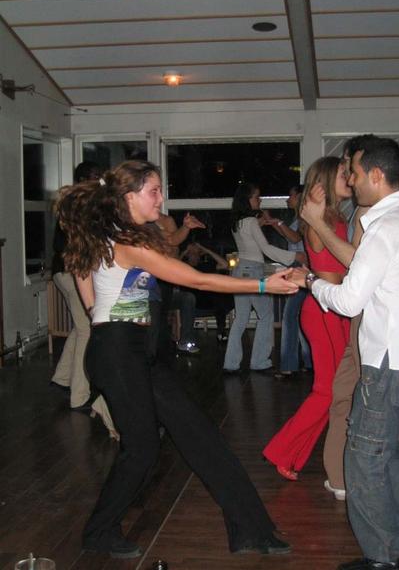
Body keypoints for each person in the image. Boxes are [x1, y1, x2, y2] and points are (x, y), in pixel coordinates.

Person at [57, 160, 298, 559]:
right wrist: (261, 285)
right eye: (153, 191)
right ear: (128, 196)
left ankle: (251, 529)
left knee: (200, 434)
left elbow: (90, 297)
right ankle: (99, 532)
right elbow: (195, 279)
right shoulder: (125, 244)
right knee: (142, 449)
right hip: (118, 353)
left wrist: (109, 315)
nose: (161, 199)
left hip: (133, 349)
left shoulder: (111, 235)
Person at [293, 136, 399, 570]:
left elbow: (347, 301)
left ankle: (385, 556)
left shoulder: (385, 226)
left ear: (376, 175)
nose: (352, 180)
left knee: (363, 458)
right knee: (383, 449)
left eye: (356, 173)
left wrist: (310, 282)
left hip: (390, 358)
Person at [263, 157, 351, 480]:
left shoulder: (335, 217)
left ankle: (292, 456)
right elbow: (329, 276)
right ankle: (282, 451)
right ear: (325, 182)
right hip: (325, 310)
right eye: (343, 173)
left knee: (335, 390)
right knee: (328, 390)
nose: (349, 177)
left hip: (334, 309)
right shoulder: (320, 221)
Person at [223, 183, 304, 373]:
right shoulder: (251, 221)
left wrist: (262, 223)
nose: (259, 200)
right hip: (252, 271)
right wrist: (294, 256)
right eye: (256, 197)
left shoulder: (238, 222)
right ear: (247, 199)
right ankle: (259, 362)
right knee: (266, 314)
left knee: (241, 317)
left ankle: (230, 363)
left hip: (240, 270)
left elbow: (249, 239)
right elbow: (265, 248)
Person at [50, 161, 101, 411]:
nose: (100, 182)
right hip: (70, 272)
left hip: (65, 272)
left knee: (80, 327)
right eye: (96, 177)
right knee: (86, 330)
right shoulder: (78, 205)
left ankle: (61, 378)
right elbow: (66, 245)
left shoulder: (77, 202)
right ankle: (79, 397)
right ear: (83, 180)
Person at [264, 185, 312, 376]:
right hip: (300, 269)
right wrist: (274, 223)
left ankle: (289, 365)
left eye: (291, 196)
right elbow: (289, 235)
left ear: (300, 197)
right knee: (298, 316)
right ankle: (308, 362)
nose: (287, 199)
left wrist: (278, 223)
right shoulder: (299, 217)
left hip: (302, 269)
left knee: (290, 316)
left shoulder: (304, 217)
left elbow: (294, 238)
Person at [155, 212, 205, 354]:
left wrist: (185, 227)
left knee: (187, 298)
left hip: (165, 285)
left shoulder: (166, 220)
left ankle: (184, 341)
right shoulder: (140, 222)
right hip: (145, 286)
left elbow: (173, 242)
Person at [180, 241, 234, 341]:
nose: (195, 255)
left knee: (220, 296)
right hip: (193, 300)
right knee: (219, 299)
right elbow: (172, 265)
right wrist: (185, 251)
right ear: (187, 254)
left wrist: (207, 250)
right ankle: (221, 331)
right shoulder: (183, 267)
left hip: (209, 299)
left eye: (197, 253)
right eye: (191, 253)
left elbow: (225, 265)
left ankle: (221, 331)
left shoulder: (206, 265)